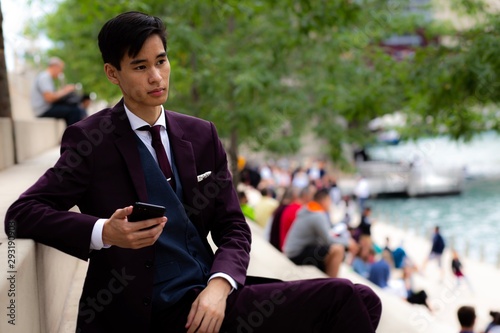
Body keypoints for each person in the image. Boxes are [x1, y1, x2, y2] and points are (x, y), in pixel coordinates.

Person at [5, 11, 381, 333]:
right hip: (145, 312)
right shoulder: (91, 140)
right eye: (140, 66)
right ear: (112, 73)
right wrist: (105, 232)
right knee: (343, 297)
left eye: (161, 61)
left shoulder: (201, 135)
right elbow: (20, 215)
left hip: (206, 296)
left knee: (365, 299)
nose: (156, 76)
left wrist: (220, 285)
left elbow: (233, 227)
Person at [283, 188, 351, 278]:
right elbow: (328, 240)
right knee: (338, 249)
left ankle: (328, 282)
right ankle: (332, 286)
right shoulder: (318, 215)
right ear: (323, 200)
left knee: (328, 251)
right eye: (329, 201)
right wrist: (348, 242)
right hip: (296, 254)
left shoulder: (308, 209)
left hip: (291, 251)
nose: (330, 204)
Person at [31, 57, 86, 126]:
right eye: (61, 69)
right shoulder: (44, 77)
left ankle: (72, 133)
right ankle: (72, 135)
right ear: (55, 67)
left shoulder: (46, 77)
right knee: (74, 111)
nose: (61, 72)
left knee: (74, 108)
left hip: (46, 108)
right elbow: (49, 98)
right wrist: (65, 91)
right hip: (43, 110)